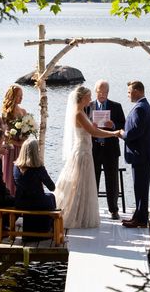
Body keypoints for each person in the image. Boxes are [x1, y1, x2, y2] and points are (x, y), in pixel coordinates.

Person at [54, 86, 120, 229]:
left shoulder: (82, 112)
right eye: (89, 96)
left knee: (84, 184)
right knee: (79, 184)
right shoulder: (78, 113)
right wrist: (114, 134)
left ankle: (81, 214)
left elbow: (91, 129)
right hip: (82, 153)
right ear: (83, 98)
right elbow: (94, 132)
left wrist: (94, 127)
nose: (91, 99)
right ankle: (75, 215)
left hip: (86, 151)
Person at [118, 81, 150, 228]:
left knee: (140, 187)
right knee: (140, 187)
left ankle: (140, 219)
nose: (128, 95)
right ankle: (139, 215)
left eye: (129, 92)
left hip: (141, 155)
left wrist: (122, 134)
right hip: (143, 154)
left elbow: (135, 132)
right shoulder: (143, 106)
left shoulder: (140, 108)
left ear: (137, 91)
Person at [86, 80, 126, 220]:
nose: (102, 95)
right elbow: (82, 125)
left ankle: (113, 210)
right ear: (95, 91)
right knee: (93, 179)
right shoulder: (88, 106)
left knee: (112, 180)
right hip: (93, 148)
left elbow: (123, 125)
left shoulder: (116, 106)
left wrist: (113, 124)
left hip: (110, 149)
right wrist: (91, 125)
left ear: (108, 93)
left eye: (105, 92)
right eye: (100, 92)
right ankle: (92, 209)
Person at [13, 138, 56, 237]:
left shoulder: (15, 167)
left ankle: (46, 227)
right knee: (51, 197)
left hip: (21, 202)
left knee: (47, 196)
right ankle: (50, 228)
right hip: (36, 202)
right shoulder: (39, 168)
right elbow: (52, 187)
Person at [1, 84, 28, 195]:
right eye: (19, 96)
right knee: (9, 173)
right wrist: (16, 142)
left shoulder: (23, 111)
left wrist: (25, 137)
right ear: (12, 97)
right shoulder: (6, 113)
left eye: (22, 96)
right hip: (11, 148)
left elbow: (27, 129)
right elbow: (4, 134)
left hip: (22, 148)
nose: (21, 98)